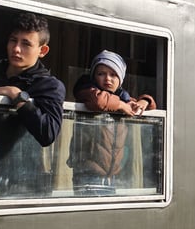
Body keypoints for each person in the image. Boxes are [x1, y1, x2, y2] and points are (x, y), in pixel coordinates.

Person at [0, 12, 65, 197]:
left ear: (42, 50)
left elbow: (48, 133)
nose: (16, 49)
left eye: (26, 44)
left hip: (23, 183)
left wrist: (15, 95)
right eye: (13, 40)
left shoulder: (49, 85)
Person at [67, 50, 156, 195]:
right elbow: (99, 101)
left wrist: (144, 100)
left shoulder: (121, 97)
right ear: (93, 76)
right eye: (101, 73)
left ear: (120, 79)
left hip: (111, 176)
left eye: (113, 74)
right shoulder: (87, 90)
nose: (107, 78)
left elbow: (148, 106)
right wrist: (121, 105)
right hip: (87, 174)